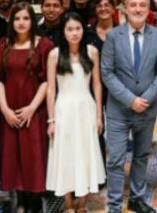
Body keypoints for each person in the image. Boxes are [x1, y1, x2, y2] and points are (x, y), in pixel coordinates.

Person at [101, 0, 157, 213]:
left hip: (147, 109)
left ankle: (137, 199)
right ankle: (114, 205)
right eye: (133, 5)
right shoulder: (113, 36)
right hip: (119, 110)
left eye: (142, 5)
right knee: (115, 160)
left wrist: (146, 98)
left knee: (141, 155)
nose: (138, 9)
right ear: (125, 8)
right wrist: (130, 100)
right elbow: (107, 72)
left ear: (149, 9)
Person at [0, 3, 54, 213]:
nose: (21, 22)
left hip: (34, 108)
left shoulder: (44, 45)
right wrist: (4, 109)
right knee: (13, 155)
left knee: (33, 155)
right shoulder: (3, 44)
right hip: (10, 108)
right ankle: (19, 200)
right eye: (17, 18)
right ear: (12, 22)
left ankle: (34, 201)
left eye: (26, 18)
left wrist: (32, 108)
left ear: (32, 21)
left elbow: (47, 80)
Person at [46, 14, 106, 211]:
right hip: (63, 108)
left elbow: (97, 85)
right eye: (70, 29)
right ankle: (68, 203)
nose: (74, 33)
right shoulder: (55, 54)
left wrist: (99, 115)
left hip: (85, 107)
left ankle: (82, 203)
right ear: (63, 32)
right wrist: (51, 120)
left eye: (77, 28)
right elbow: (51, 89)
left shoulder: (92, 52)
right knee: (65, 153)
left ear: (83, 30)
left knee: (85, 152)